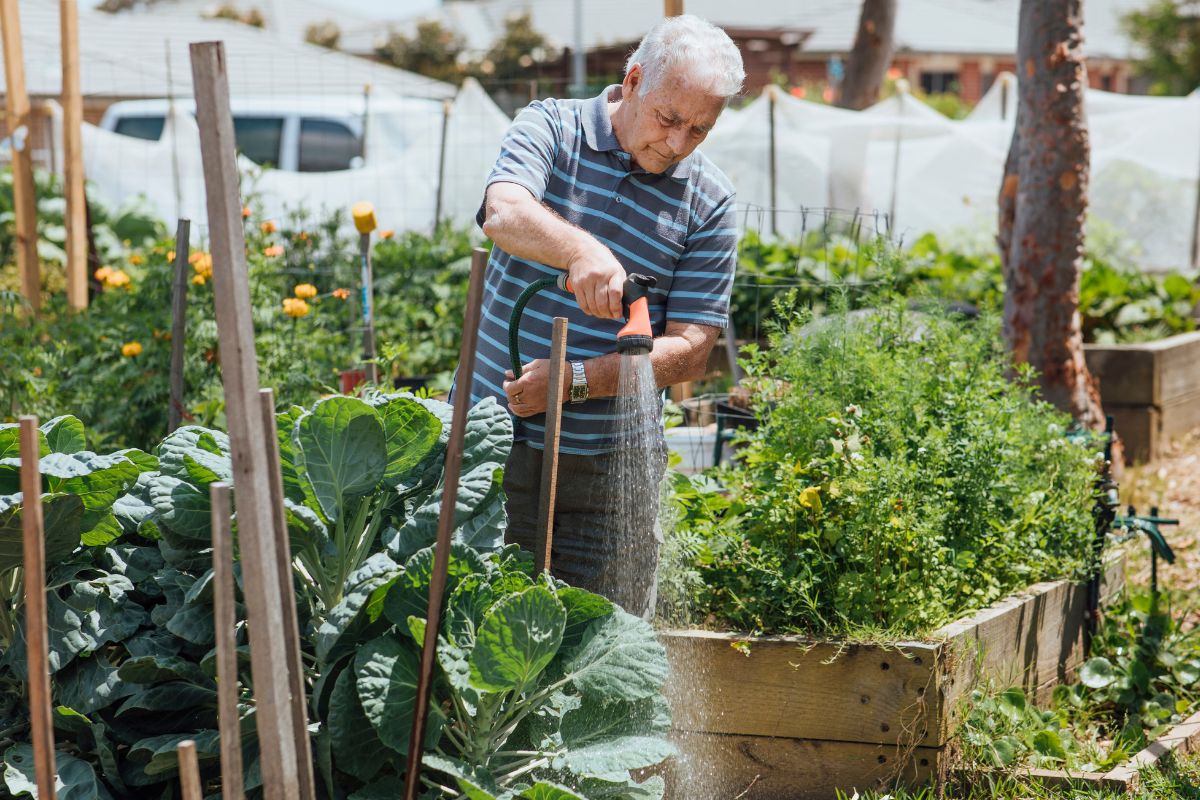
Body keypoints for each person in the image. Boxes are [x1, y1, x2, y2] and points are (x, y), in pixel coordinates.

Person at [467, 14, 744, 618]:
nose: (677, 143)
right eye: (669, 119)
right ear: (635, 79)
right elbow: (504, 212)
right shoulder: (551, 126)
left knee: (603, 654)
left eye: (699, 129)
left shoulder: (710, 201)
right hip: (498, 450)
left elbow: (692, 348)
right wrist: (583, 251)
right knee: (482, 642)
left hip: (613, 475)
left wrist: (572, 381)